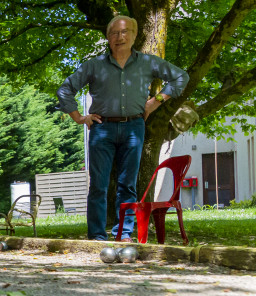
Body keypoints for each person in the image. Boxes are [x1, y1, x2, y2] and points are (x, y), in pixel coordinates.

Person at [57, 15, 189, 241]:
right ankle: (97, 236)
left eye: (125, 31)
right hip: (102, 128)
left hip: (134, 127)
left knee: (128, 185)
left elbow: (181, 77)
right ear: (108, 38)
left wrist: (156, 101)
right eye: (115, 33)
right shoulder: (94, 65)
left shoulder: (148, 62)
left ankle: (124, 233)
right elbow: (65, 90)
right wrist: (79, 118)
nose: (120, 37)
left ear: (134, 36)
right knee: (98, 185)